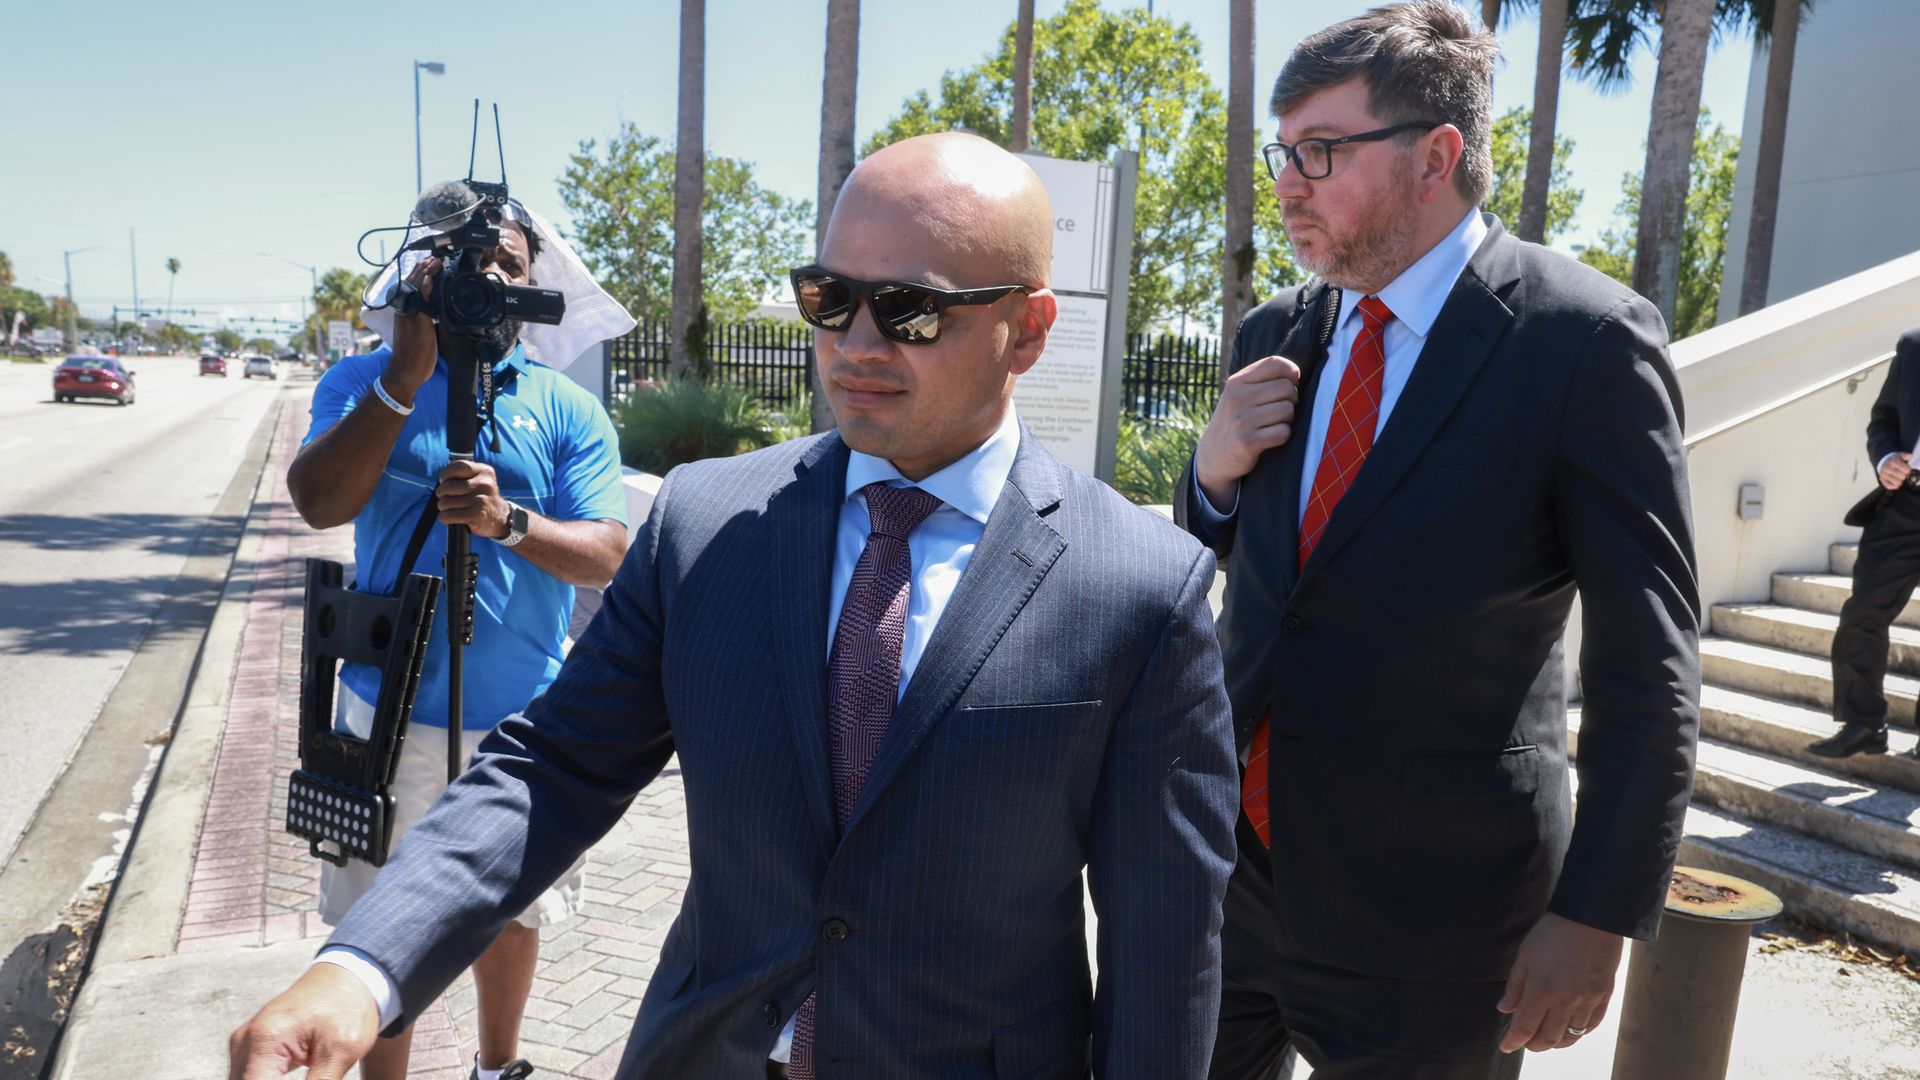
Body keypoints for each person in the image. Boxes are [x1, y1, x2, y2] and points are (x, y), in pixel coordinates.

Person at [230, 132, 1240, 1080]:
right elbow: (557, 763)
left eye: (911, 311)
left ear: (1027, 330)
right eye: (829, 298)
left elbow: (1163, 950)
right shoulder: (705, 522)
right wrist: (361, 969)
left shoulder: (1142, 588)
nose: (856, 343)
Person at [1173, 4, 1702, 1077]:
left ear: (1436, 155)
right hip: (1233, 880)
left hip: (1442, 919)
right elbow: (1250, 578)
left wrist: (1598, 914)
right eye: (1283, 153)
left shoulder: (1585, 342)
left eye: (1320, 151)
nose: (1288, 182)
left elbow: (1651, 660)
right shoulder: (1276, 332)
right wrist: (1208, 480)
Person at [278, 193, 634, 1080]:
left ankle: (496, 1066)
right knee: (379, 923)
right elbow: (320, 502)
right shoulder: (362, 383)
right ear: (418, 277)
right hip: (386, 711)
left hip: (523, 724)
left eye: (507, 263)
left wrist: (509, 521)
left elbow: (607, 556)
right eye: (462, 262)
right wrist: (404, 376)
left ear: (532, 284)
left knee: (513, 910)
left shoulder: (565, 407)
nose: (487, 278)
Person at [1813, 329, 1920, 759]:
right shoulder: (1913, 346)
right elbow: (1883, 420)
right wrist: (1885, 458)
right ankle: (1865, 722)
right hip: (1905, 501)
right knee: (1863, 612)